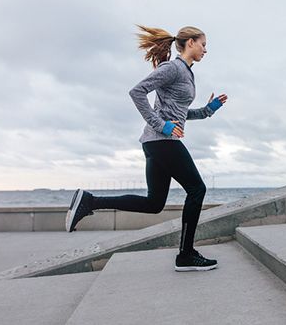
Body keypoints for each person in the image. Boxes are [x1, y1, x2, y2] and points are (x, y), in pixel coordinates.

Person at [65, 25, 228, 272]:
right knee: (197, 189)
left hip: (156, 143)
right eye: (203, 44)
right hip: (162, 142)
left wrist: (208, 110)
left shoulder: (186, 72)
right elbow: (137, 92)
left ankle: (90, 201)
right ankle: (185, 255)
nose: (206, 49)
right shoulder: (172, 68)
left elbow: (179, 113)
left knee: (154, 203)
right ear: (191, 42)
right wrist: (160, 125)